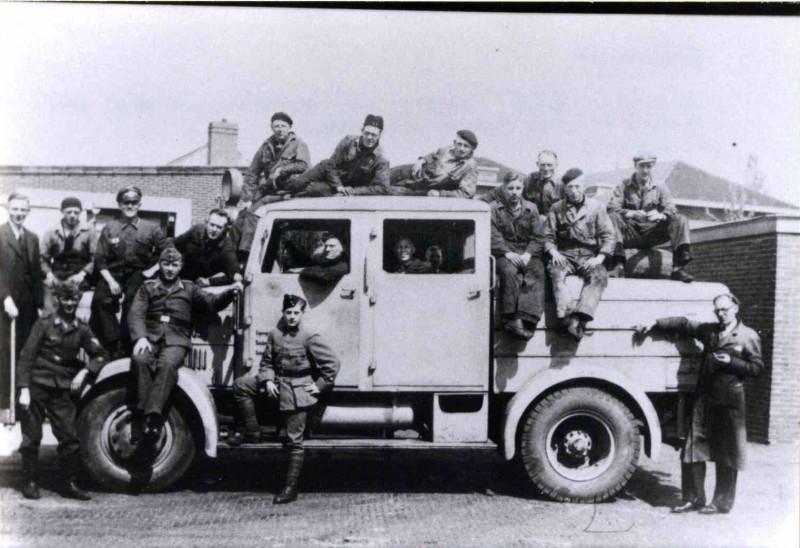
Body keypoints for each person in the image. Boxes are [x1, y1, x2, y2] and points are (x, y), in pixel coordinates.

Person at [637, 293, 763, 515]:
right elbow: (685, 324)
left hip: (729, 401)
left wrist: (732, 362)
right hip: (704, 398)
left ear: (735, 307)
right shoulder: (710, 331)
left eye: (724, 309)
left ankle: (721, 502)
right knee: (693, 448)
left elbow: (757, 368)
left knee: (727, 452)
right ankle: (692, 498)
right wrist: (654, 324)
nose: (720, 314)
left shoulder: (747, 336)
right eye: (717, 310)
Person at [231, 294, 340, 504]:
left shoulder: (309, 336)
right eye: (288, 313)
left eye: (296, 313)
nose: (292, 317)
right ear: (283, 313)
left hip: (298, 391)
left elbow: (332, 364)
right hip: (278, 384)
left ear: (302, 314)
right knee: (241, 385)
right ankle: (253, 432)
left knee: (294, 441)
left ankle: (290, 487)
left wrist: (318, 386)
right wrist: (267, 381)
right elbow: (266, 363)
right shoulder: (275, 334)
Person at [127, 248, 242, 443]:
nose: (170, 269)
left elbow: (211, 303)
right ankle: (147, 413)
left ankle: (151, 416)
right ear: (161, 265)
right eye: (166, 264)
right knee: (139, 359)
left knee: (168, 365)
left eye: (174, 265)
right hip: (151, 337)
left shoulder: (189, 288)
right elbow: (136, 313)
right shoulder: (147, 287)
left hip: (176, 339)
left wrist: (230, 292)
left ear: (180, 266)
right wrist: (140, 338)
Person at [17, 280, 109, 500]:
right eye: (66, 299)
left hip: (63, 389)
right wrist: (24, 389)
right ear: (58, 300)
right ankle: (29, 481)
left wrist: (85, 371)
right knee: (31, 437)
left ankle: (69, 483)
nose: (70, 303)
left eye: (74, 299)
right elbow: (26, 357)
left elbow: (101, 355)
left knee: (70, 438)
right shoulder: (45, 323)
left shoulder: (82, 328)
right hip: (38, 383)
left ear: (78, 301)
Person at [90, 186, 170, 357]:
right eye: (126, 202)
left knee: (133, 300)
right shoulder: (110, 228)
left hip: (139, 273)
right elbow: (100, 258)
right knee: (99, 299)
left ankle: (127, 345)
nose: (130, 206)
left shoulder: (151, 228)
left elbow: (167, 251)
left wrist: (153, 270)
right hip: (113, 273)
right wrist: (110, 281)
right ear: (119, 205)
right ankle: (114, 341)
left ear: (139, 204)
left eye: (134, 202)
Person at [544, 169, 615, 341]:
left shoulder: (596, 207)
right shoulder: (556, 208)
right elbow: (547, 236)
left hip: (588, 254)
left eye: (577, 186)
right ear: (565, 189)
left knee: (599, 276)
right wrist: (554, 252)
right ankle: (567, 315)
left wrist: (599, 258)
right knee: (555, 273)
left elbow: (609, 236)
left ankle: (580, 316)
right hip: (564, 254)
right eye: (570, 187)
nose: (574, 191)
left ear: (583, 187)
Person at [607, 153, 694, 282]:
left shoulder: (660, 186)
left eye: (649, 166)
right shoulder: (623, 185)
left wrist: (662, 215)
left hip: (652, 233)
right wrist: (630, 213)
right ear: (635, 166)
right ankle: (617, 264)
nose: (645, 170)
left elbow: (672, 209)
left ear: (652, 167)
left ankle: (677, 268)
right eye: (642, 166)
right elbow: (611, 208)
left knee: (680, 219)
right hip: (631, 233)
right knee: (612, 217)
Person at [234, 112, 311, 255]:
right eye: (276, 126)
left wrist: (282, 170)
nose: (279, 129)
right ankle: (231, 254)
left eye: (283, 126)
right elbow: (252, 174)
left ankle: (246, 254)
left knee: (254, 212)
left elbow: (304, 166)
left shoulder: (299, 144)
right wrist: (246, 199)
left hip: (289, 191)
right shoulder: (265, 147)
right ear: (272, 128)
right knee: (242, 214)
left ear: (289, 128)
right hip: (269, 190)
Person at [1, 193, 44, 410]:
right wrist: (5, 297)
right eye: (15, 209)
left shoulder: (33, 238)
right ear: (8, 208)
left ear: (28, 211)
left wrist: (40, 303)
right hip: (4, 305)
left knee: (25, 352)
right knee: (4, 352)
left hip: (27, 306)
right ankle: (3, 404)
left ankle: (20, 402)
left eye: (22, 210)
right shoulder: (0, 234)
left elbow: (36, 274)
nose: (18, 213)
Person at [490, 172, 546, 340]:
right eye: (510, 188)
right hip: (504, 253)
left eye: (518, 188)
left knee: (537, 271)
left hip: (527, 252)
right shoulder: (493, 208)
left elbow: (538, 237)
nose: (514, 192)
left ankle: (526, 318)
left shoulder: (531, 208)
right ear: (503, 188)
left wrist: (528, 254)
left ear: (523, 189)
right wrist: (507, 253)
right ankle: (509, 318)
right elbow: (492, 235)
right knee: (509, 272)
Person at [283, 115, 390, 197]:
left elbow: (382, 188)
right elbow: (330, 164)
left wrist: (354, 191)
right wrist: (338, 186)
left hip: (344, 185)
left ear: (380, 134)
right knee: (296, 183)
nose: (369, 137)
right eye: (367, 133)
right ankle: (278, 191)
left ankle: (288, 197)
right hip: (326, 171)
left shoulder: (381, 159)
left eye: (374, 135)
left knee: (313, 191)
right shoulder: (348, 141)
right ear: (362, 131)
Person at [40, 197, 97, 313]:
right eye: (69, 212)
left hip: (79, 277)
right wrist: (49, 274)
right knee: (49, 304)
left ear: (80, 213)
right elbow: (42, 258)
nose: (72, 215)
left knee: (69, 303)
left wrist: (82, 274)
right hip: (57, 275)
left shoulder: (89, 232)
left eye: (76, 212)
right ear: (62, 212)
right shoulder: (51, 232)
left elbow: (95, 258)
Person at [390, 130, 478, 198]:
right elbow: (433, 155)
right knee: (382, 176)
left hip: (423, 188)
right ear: (455, 143)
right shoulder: (446, 149)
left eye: (466, 146)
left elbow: (466, 193)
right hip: (413, 172)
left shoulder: (470, 166)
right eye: (459, 144)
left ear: (472, 149)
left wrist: (440, 194)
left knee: (386, 191)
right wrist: (422, 160)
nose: (461, 149)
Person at [480, 150, 563, 218]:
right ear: (537, 164)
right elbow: (503, 190)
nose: (546, 168)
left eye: (549, 165)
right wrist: (479, 203)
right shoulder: (529, 179)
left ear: (556, 164)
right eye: (542, 165)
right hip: (530, 224)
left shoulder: (562, 185)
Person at [173, 209, 241, 287]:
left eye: (219, 227)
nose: (214, 229)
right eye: (212, 225)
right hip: (181, 279)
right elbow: (175, 243)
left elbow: (236, 276)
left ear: (224, 229)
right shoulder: (196, 230)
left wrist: (210, 281)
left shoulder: (227, 247)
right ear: (206, 223)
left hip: (201, 287)